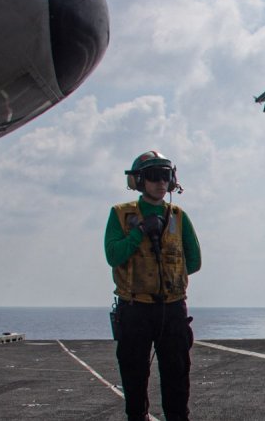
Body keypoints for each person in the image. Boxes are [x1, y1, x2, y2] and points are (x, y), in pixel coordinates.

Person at [105, 150, 201, 421]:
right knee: (134, 376)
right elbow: (113, 255)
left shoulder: (179, 216)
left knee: (177, 376)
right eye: (154, 176)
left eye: (166, 176)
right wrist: (140, 232)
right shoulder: (121, 215)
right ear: (139, 181)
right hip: (135, 308)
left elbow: (194, 261)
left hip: (172, 309)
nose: (161, 182)